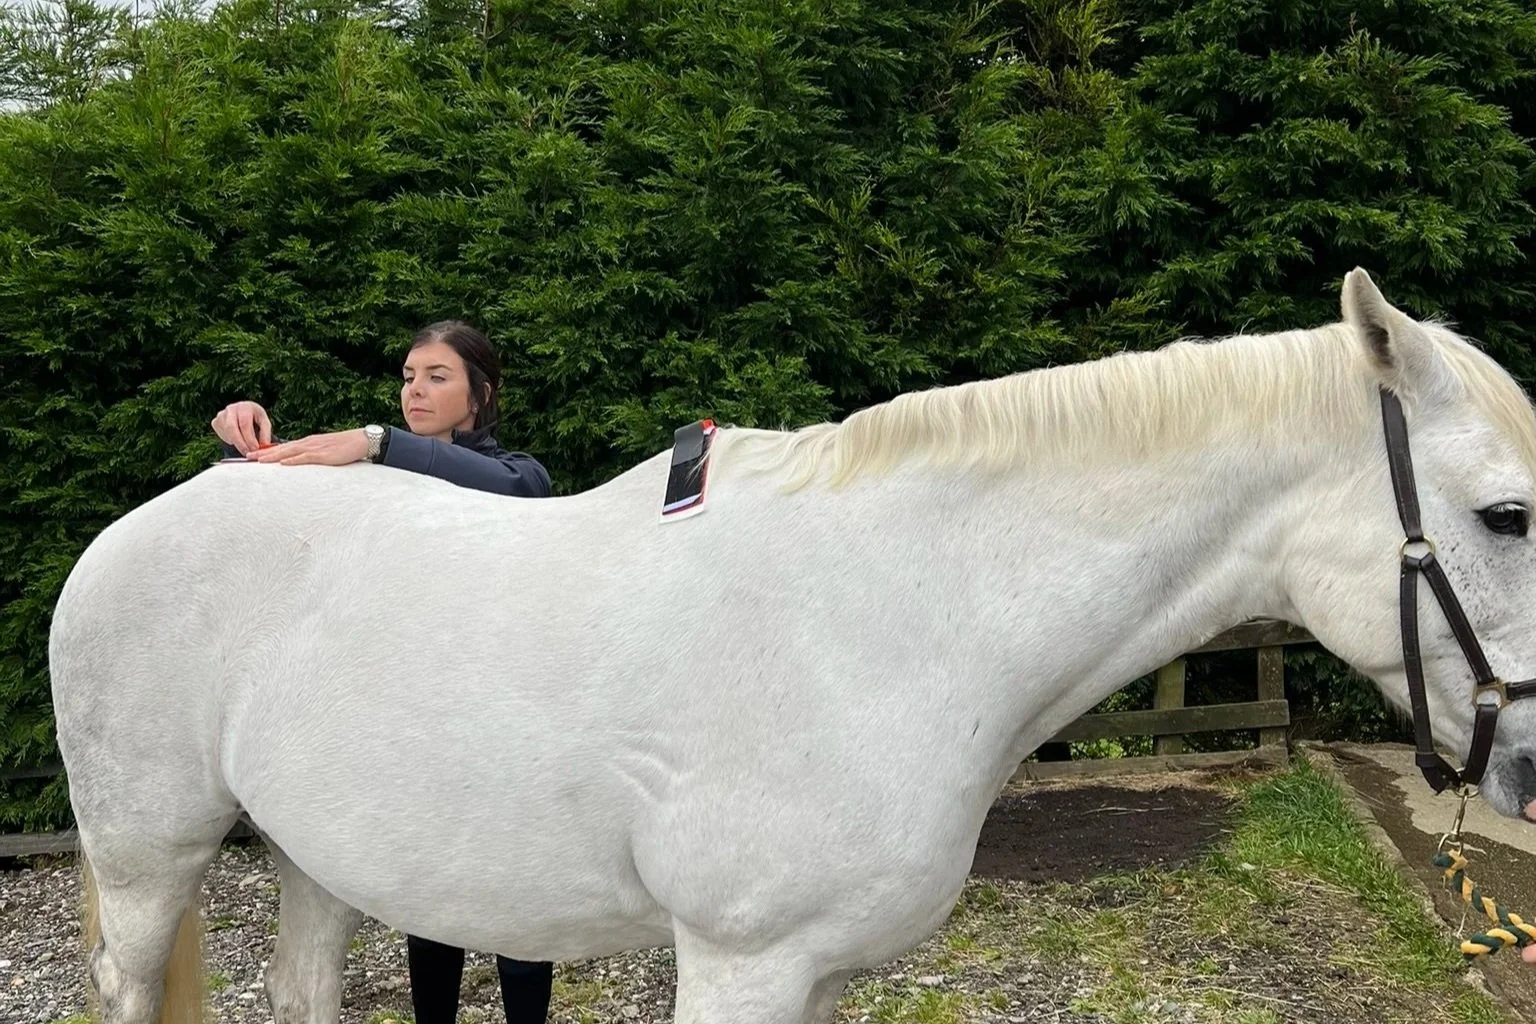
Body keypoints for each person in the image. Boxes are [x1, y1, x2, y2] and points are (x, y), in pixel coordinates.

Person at [211, 320, 556, 1024]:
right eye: (407, 376)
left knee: (523, 914)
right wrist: (241, 438)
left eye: (437, 376)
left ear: (482, 393)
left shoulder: (515, 473)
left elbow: (520, 487)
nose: (415, 390)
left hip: (512, 728)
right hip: (418, 724)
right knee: (431, 909)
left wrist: (377, 443)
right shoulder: (378, 480)